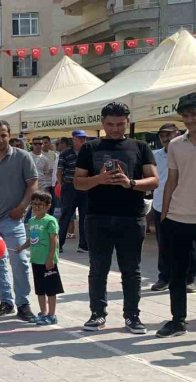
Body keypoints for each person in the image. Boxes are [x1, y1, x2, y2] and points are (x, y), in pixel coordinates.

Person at [74, 102, 159, 333]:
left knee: (131, 270)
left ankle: (132, 316)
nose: (115, 129)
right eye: (110, 124)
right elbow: (78, 183)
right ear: (102, 123)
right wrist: (98, 179)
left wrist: (130, 182)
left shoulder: (140, 147)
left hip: (131, 217)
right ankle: (97, 314)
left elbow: (154, 180)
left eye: (120, 124)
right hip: (97, 216)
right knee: (98, 268)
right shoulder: (90, 147)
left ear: (128, 122)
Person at [0, 120, 38, 322]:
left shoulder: (22, 157)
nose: (0, 139)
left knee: (20, 262)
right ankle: (6, 302)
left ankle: (23, 304)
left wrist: (21, 208)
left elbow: (32, 185)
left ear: (9, 135)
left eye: (3, 135)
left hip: (12, 219)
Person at [157, 93, 196, 338]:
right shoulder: (175, 144)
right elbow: (171, 180)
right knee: (177, 274)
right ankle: (177, 320)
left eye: (193, 115)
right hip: (178, 217)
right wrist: (164, 214)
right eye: (185, 116)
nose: (190, 120)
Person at [150, 123, 194, 292]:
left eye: (169, 135)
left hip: (183, 206)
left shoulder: (187, 151)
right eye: (162, 136)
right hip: (160, 205)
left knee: (189, 246)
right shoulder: (155, 155)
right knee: (163, 245)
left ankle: (189, 279)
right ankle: (164, 277)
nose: (165, 139)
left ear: (178, 133)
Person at [18, 191, 63, 326]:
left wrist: (50, 259)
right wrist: (22, 247)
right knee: (40, 289)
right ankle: (43, 313)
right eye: (34, 204)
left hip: (47, 262)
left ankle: (52, 315)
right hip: (36, 261)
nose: (36, 207)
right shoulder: (32, 221)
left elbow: (54, 241)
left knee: (51, 290)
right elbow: (32, 239)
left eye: (40, 204)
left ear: (48, 206)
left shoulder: (50, 221)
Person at [58, 130, 89, 253]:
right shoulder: (65, 153)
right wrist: (63, 185)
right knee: (65, 216)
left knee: (84, 217)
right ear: (73, 139)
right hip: (70, 187)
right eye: (79, 138)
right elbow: (59, 172)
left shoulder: (88, 152)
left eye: (84, 138)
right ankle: (58, 244)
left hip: (85, 188)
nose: (82, 140)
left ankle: (83, 245)